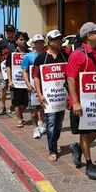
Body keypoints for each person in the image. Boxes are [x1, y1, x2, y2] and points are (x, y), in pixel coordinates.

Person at [66, 22, 96, 180]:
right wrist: (75, 102)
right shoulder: (78, 54)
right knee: (84, 133)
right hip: (81, 102)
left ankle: (78, 148)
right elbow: (70, 79)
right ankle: (89, 164)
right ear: (89, 36)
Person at [34, 30, 69, 162]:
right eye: (56, 39)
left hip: (62, 97)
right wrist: (39, 94)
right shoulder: (41, 58)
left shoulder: (65, 56)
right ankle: (52, 150)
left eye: (60, 39)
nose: (59, 41)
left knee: (59, 123)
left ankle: (54, 141)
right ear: (50, 42)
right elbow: (36, 76)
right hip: (49, 97)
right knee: (51, 122)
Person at [22, 34, 46, 139]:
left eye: (41, 42)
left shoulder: (47, 55)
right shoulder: (28, 56)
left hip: (45, 87)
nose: (39, 44)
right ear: (33, 44)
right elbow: (24, 71)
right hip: (32, 87)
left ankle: (42, 123)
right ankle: (35, 128)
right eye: (37, 42)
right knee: (33, 110)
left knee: (43, 108)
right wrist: (27, 84)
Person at [7, 32, 30, 127]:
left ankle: (19, 113)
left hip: (27, 82)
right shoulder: (12, 53)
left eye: (24, 39)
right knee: (16, 102)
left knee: (25, 103)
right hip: (16, 82)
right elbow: (8, 68)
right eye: (21, 39)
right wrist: (10, 80)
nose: (23, 41)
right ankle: (19, 119)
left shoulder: (29, 53)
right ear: (16, 41)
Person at [0, 24, 17, 114]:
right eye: (7, 31)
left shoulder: (17, 42)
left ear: (13, 32)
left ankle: (13, 105)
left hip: (15, 69)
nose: (9, 33)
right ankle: (2, 106)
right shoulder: (1, 42)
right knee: (3, 88)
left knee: (14, 88)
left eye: (11, 31)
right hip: (4, 69)